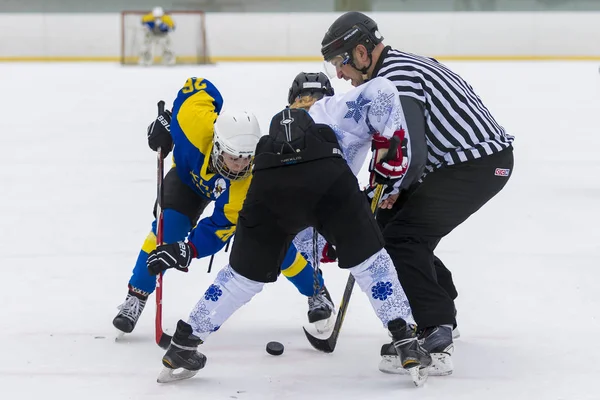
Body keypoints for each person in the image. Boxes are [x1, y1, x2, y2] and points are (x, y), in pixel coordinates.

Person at [147, 76, 432, 387]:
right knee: (371, 265)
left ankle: (184, 345)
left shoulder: (263, 142)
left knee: (239, 279)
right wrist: (390, 169)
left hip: (270, 186)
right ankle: (404, 338)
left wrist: (171, 118)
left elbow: (195, 90)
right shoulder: (334, 108)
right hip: (331, 185)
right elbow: (383, 91)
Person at [320, 11, 515, 375]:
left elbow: (411, 152)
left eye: (340, 63)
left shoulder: (396, 77)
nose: (340, 75)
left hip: (474, 166)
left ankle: (435, 330)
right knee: (387, 228)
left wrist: (394, 187)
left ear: (361, 52)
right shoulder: (400, 66)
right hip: (463, 164)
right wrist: (389, 189)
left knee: (403, 238)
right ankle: (443, 308)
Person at [112, 77, 335, 337]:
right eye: (232, 157)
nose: (239, 167)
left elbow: (219, 228)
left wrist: (189, 249)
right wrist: (170, 122)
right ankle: (136, 295)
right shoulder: (193, 122)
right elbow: (197, 86)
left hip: (226, 195)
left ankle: (316, 290)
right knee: (167, 230)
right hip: (187, 179)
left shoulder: (247, 182)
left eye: (245, 159)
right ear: (218, 144)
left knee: (274, 242)